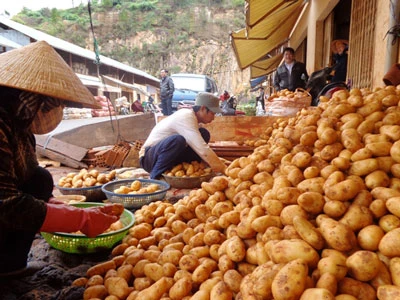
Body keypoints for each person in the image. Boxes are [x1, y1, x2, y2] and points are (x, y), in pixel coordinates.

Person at [0, 41, 123, 278]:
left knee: (40, 179)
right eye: (54, 104)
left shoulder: (17, 124)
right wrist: (81, 219)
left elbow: (31, 183)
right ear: (32, 99)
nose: (58, 110)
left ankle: (10, 266)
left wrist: (58, 207)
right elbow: (5, 203)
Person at [139, 92, 227, 179]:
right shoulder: (186, 116)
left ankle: (186, 169)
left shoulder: (194, 120)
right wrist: (224, 169)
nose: (214, 118)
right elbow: (202, 149)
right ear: (203, 109)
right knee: (177, 140)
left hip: (165, 156)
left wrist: (216, 162)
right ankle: (155, 176)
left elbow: (199, 148)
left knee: (204, 134)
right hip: (148, 158)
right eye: (213, 113)